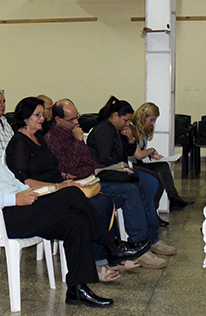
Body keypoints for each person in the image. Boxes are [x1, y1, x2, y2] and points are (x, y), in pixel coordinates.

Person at [0, 112, 149, 308]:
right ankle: (113, 248)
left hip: (20, 207)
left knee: (75, 220)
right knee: (71, 194)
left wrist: (32, 193)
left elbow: (13, 182)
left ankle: (77, 289)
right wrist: (13, 199)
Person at [5, 97, 142, 282]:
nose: (42, 118)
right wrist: (59, 186)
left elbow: (53, 167)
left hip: (59, 186)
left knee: (102, 200)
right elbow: (24, 180)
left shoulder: (37, 137)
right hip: (43, 193)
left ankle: (110, 252)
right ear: (25, 118)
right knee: (93, 204)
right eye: (37, 115)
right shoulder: (19, 143)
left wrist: (65, 178)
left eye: (42, 114)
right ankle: (107, 253)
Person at [46, 99, 175, 269]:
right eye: (72, 120)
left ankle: (150, 239)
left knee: (143, 185)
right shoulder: (53, 139)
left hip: (94, 176)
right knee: (129, 191)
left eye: (77, 117)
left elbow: (90, 161)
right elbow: (69, 168)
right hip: (79, 185)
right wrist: (79, 143)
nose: (76, 122)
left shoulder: (75, 132)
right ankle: (138, 246)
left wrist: (114, 164)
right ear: (58, 120)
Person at [130, 102, 193, 212]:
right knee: (157, 176)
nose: (152, 123)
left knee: (163, 166)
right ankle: (153, 209)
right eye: (151, 120)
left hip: (137, 163)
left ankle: (173, 198)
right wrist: (151, 151)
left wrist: (151, 154)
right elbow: (138, 155)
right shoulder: (131, 129)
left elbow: (139, 152)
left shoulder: (141, 130)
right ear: (143, 117)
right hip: (131, 165)